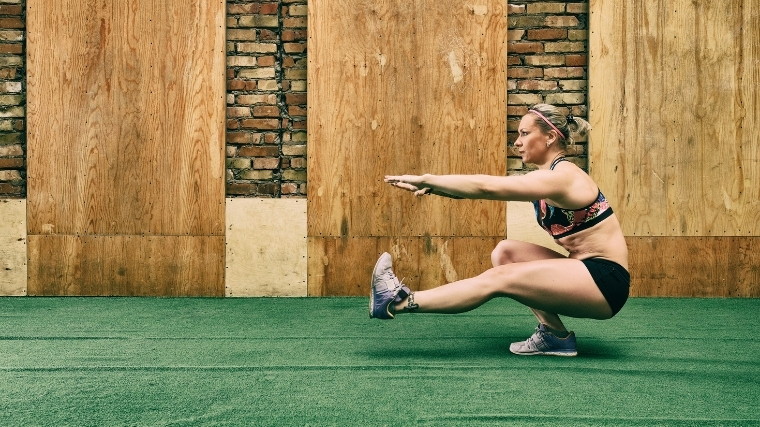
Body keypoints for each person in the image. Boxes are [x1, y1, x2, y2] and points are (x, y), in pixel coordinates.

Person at [369, 103, 630, 357]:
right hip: (585, 271)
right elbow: (481, 192)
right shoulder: (545, 177)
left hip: (606, 281)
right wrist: (437, 188)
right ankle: (555, 337)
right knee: (506, 252)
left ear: (550, 137)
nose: (517, 142)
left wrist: (427, 178)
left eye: (525, 134)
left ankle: (397, 301)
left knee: (500, 278)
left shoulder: (563, 177)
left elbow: (487, 187)